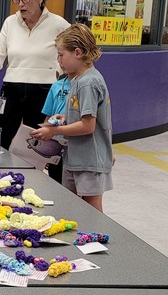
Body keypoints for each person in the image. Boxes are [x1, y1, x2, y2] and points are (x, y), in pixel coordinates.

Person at [0, 0, 70, 149]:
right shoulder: (10, 23)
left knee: (36, 140)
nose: (20, 4)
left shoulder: (59, 25)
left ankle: (35, 175)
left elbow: (72, 58)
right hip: (11, 88)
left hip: (44, 90)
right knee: (1, 134)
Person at [31, 23, 113, 212]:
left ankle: (96, 240)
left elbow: (88, 126)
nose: (58, 60)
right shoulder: (76, 79)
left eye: (61, 55)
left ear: (78, 52)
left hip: (89, 159)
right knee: (71, 206)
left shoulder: (88, 82)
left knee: (92, 211)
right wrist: (66, 117)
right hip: (75, 157)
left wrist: (54, 131)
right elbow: (83, 113)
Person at [36, 71, 71, 184]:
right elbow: (48, 117)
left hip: (76, 146)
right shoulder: (56, 86)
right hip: (57, 146)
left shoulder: (86, 84)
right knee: (56, 183)